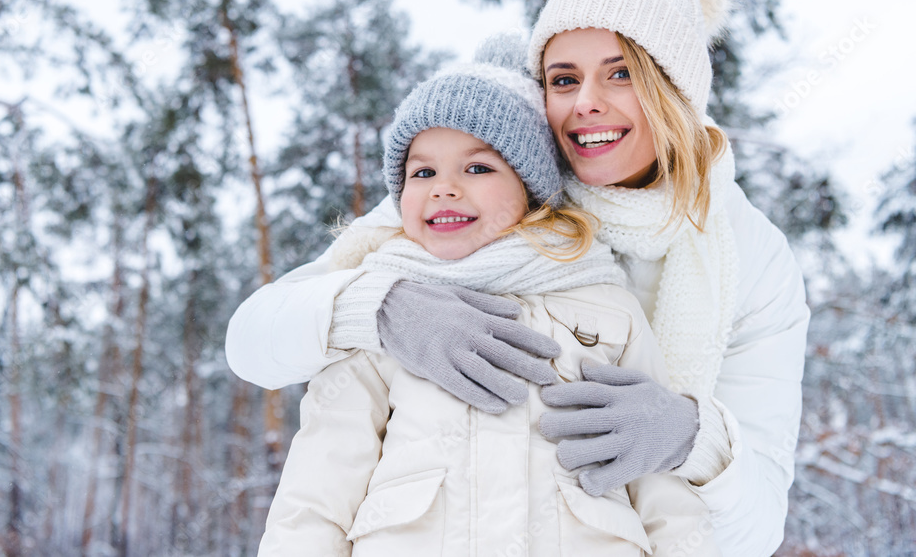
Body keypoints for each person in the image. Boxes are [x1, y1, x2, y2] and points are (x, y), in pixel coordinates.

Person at [227, 0, 809, 556]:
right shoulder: (476, 193)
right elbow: (253, 344)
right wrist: (381, 308)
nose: (586, 102)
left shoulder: (749, 258)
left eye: (621, 74)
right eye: (564, 79)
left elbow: (756, 527)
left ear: (674, 90)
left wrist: (693, 439)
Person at [256, 43, 719, 555]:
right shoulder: (380, 311)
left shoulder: (606, 307)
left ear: (530, 186)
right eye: (422, 172)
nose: (444, 189)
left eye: (477, 169)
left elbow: (663, 495)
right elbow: (317, 492)